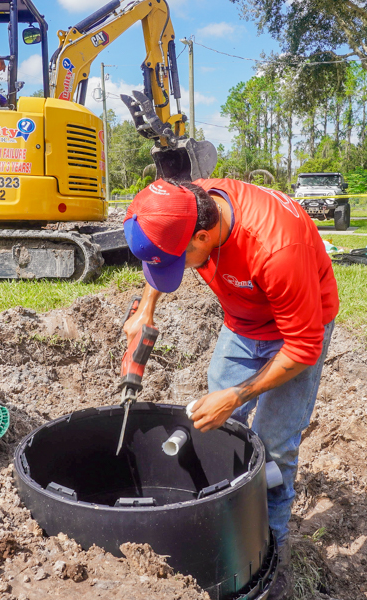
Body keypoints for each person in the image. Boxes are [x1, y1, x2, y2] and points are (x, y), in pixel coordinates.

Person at [123, 178, 338, 600]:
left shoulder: (276, 247)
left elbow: (303, 347)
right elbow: (160, 248)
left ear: (203, 236)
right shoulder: (183, 204)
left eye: (179, 260)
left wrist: (239, 395)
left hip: (297, 331)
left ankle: (269, 557)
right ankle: (219, 524)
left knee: (275, 449)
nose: (178, 271)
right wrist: (145, 308)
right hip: (242, 324)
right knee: (216, 429)